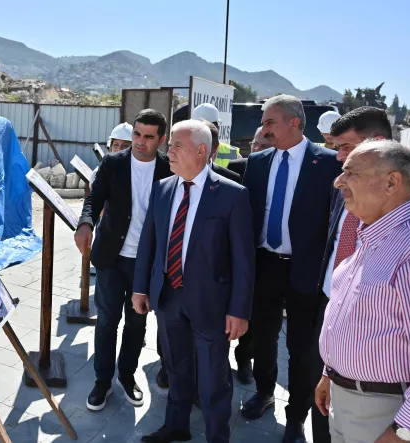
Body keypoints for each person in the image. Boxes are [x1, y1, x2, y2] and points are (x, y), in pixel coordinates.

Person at [132, 120, 255, 443]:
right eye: (170, 144)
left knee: (213, 378)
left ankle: (217, 437)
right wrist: (141, 287)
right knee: (176, 367)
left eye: (176, 146)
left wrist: (239, 310)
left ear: (201, 151)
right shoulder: (162, 189)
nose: (168, 151)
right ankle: (176, 426)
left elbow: (244, 260)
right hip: (168, 296)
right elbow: (149, 242)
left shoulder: (231, 194)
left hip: (212, 304)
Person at [240, 95, 341, 443]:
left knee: (302, 348)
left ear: (294, 123)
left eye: (270, 122)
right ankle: (264, 392)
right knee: (263, 338)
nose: (264, 129)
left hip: (306, 270)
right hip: (265, 265)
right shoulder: (257, 163)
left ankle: (296, 417)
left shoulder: (327, 163)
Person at [315, 140, 410, 443]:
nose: (339, 181)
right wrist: (330, 373)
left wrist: (405, 431)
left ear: (391, 183)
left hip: (385, 414)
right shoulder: (372, 236)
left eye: (351, 173)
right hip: (346, 398)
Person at [75, 109, 171, 411]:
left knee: (137, 323)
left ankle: (127, 376)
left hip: (147, 263)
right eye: (137, 134)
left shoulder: (169, 168)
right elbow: (94, 199)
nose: (140, 141)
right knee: (107, 321)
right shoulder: (113, 163)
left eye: (148, 137)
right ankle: (102, 381)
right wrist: (85, 223)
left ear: (161, 139)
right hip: (111, 258)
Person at [311, 106, 396, 443]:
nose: (338, 156)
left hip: (380, 367)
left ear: (378, 143)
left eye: (346, 147)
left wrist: (407, 426)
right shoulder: (345, 185)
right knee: (322, 405)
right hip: (330, 308)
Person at [226, 125, 273, 385]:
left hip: (264, 255)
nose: (257, 150)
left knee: (253, 315)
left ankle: (244, 359)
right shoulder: (236, 168)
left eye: (264, 146)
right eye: (255, 144)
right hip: (233, 252)